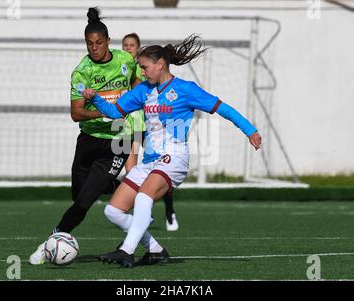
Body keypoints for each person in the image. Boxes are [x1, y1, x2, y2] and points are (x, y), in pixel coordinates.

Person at [83, 34, 262, 267]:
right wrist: (95, 98)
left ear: (160, 65)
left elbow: (223, 108)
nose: (142, 72)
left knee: (144, 197)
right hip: (150, 161)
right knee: (113, 211)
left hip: (174, 157)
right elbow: (115, 111)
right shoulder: (143, 91)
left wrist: (250, 130)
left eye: (145, 68)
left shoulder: (185, 89)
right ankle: (155, 250)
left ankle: (126, 250)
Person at [29, 7, 142, 265]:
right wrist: (104, 113)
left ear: (108, 41)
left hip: (118, 138)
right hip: (89, 140)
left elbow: (136, 82)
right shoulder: (82, 72)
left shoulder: (125, 60)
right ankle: (124, 186)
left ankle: (51, 240)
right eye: (89, 44)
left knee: (83, 203)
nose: (94, 48)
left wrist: (133, 105)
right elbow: (76, 113)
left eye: (99, 43)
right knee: (78, 195)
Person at [122, 32, 180, 232]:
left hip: (149, 125)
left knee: (160, 166)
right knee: (131, 170)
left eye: (131, 45)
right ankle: (143, 211)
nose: (127, 48)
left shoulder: (143, 72)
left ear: (137, 48)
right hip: (129, 124)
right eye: (125, 45)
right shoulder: (120, 68)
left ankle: (169, 210)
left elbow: (148, 92)